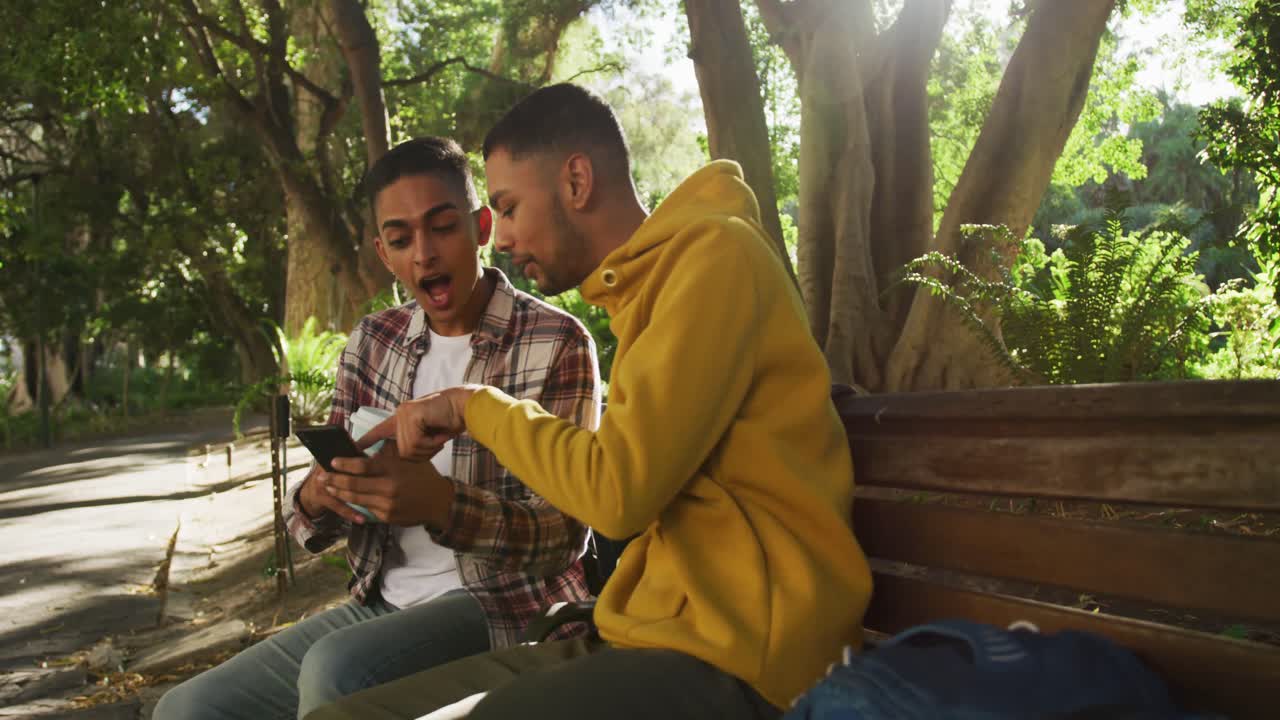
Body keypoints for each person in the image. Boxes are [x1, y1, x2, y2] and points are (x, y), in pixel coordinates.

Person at [311, 84, 872, 720]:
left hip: (748, 661)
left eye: (510, 207)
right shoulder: (649, 290)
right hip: (645, 635)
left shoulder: (717, 261)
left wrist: (473, 405)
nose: (501, 238)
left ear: (576, 181)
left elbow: (616, 495)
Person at [154, 136, 601, 720]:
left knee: (336, 672)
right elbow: (309, 522)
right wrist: (322, 494)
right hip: (381, 605)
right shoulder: (374, 341)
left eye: (442, 227)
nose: (424, 255)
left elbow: (567, 536)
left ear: (482, 226)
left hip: (506, 608)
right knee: (186, 709)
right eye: (400, 239)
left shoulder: (557, 341)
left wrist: (441, 504)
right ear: (383, 252)